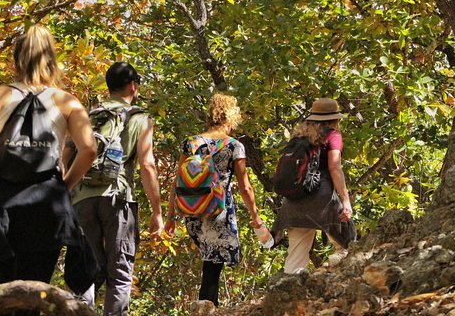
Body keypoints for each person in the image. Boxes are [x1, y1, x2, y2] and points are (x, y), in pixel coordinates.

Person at [0, 25, 98, 300]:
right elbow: (89, 149)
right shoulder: (67, 102)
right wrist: (64, 185)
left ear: (16, 59)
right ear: (51, 59)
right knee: (33, 293)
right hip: (47, 209)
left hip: (1, 208)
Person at [67, 61, 164, 316]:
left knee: (87, 270)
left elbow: (66, 154)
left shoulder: (88, 115)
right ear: (133, 86)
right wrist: (158, 212)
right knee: (119, 273)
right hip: (117, 198)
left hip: (81, 198)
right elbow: (147, 165)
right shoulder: (140, 118)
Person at [165, 93, 264, 307]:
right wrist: (255, 216)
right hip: (219, 211)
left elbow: (177, 181)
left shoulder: (190, 143)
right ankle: (207, 307)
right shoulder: (234, 146)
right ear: (230, 118)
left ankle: (207, 306)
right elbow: (245, 187)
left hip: (193, 210)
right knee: (212, 266)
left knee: (210, 264)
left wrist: (170, 216)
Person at [272, 98, 356, 274]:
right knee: (349, 245)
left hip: (293, 204)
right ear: (335, 119)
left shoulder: (299, 137)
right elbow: (335, 167)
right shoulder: (333, 135)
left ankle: (288, 295)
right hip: (322, 203)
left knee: (295, 258)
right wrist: (345, 200)